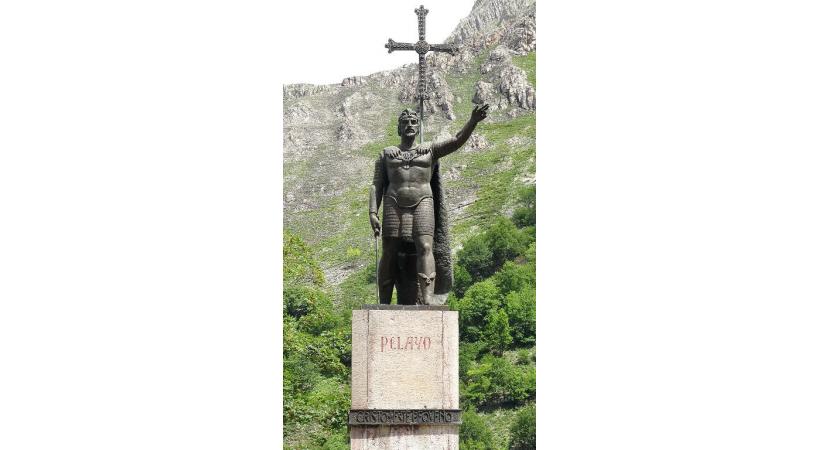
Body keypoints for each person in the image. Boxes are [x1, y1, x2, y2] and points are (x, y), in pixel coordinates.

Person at [369, 104, 489, 304]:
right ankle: (384, 304)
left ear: (418, 127)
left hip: (422, 202)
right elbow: (376, 185)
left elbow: (457, 140)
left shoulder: (430, 150)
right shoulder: (387, 153)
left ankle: (427, 302)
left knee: (425, 247)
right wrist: (373, 212)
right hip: (393, 203)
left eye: (413, 122)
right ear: (399, 128)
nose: (409, 125)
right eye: (405, 122)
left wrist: (473, 122)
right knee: (389, 250)